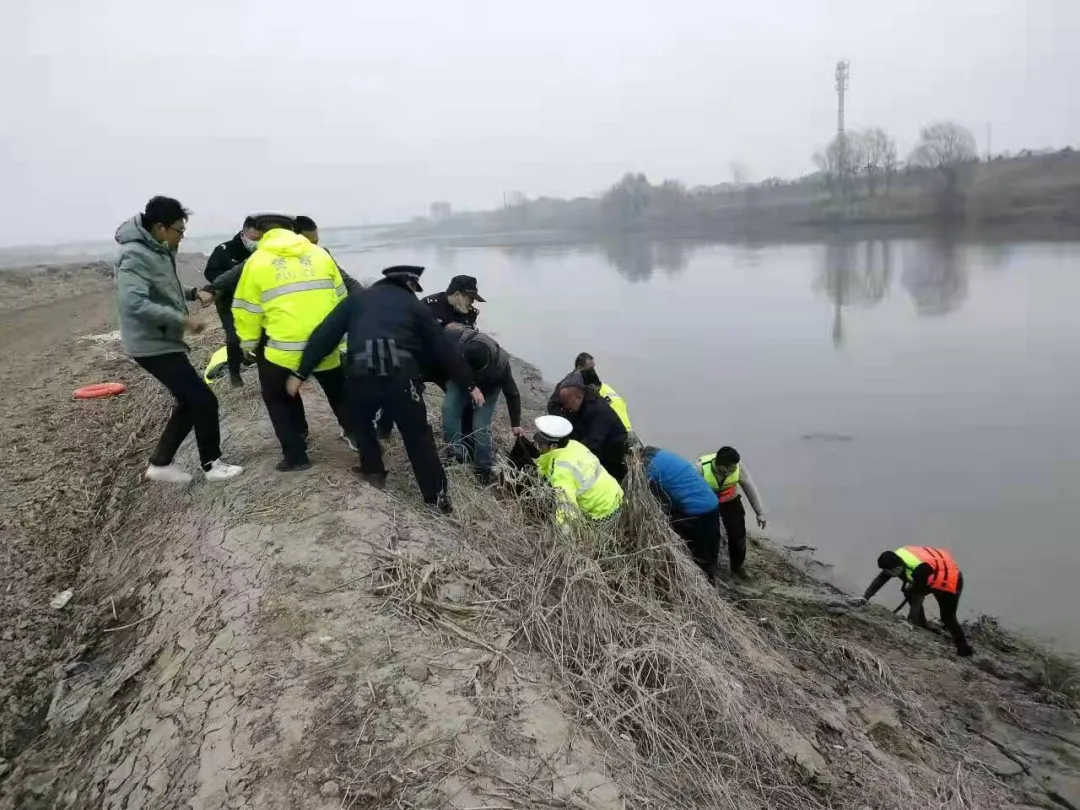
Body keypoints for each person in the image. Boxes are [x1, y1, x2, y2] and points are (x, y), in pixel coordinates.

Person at [287, 266, 481, 513]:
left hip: (362, 376)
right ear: (408, 286)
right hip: (402, 378)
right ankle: (437, 496)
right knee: (419, 437)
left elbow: (325, 335)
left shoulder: (356, 300)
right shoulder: (414, 306)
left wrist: (301, 372)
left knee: (359, 421)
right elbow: (443, 348)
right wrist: (469, 383)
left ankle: (374, 471)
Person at [114, 196, 243, 483]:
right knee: (204, 400)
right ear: (161, 228)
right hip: (150, 343)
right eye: (179, 231)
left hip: (162, 340)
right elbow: (133, 303)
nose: (181, 237)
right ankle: (212, 464)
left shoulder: (157, 250)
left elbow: (163, 287)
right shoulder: (135, 254)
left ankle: (161, 464)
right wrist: (182, 320)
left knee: (189, 401)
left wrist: (191, 293)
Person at [232, 212, 351, 472]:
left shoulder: (257, 261)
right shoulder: (320, 255)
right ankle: (363, 443)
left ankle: (296, 456)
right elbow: (343, 299)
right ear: (292, 229)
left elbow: (246, 310)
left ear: (261, 234)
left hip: (283, 350)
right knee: (340, 394)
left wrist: (249, 346)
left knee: (276, 396)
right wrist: (341, 340)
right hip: (325, 344)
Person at [442, 322, 525, 482]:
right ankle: (456, 455)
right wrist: (470, 385)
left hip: (489, 389)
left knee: (480, 427)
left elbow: (512, 393)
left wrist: (516, 423)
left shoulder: (501, 366)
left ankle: (483, 469)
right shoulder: (456, 345)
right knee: (449, 410)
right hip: (462, 380)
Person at [855, 546, 974, 658]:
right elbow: (881, 578)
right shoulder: (895, 559)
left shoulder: (919, 570)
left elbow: (917, 595)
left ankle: (963, 648)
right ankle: (921, 623)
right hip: (933, 575)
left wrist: (910, 623)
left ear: (898, 568)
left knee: (947, 617)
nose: (889, 575)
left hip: (950, 581)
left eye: (890, 572)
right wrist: (866, 597)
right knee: (909, 592)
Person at [640, 446, 727, 582]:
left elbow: (640, 496)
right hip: (712, 502)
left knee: (697, 553)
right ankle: (711, 575)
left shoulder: (647, 468)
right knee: (711, 546)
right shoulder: (661, 454)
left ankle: (703, 584)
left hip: (695, 511)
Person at [533, 415, 623, 531]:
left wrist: (564, 538)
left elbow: (567, 511)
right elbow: (549, 462)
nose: (538, 447)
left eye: (541, 444)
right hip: (616, 497)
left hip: (603, 513)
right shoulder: (573, 445)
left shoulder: (562, 471)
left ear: (553, 446)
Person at [203, 216, 261, 387]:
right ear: (243, 234)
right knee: (234, 338)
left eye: (259, 239)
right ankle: (234, 374)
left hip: (254, 301)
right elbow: (211, 273)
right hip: (229, 302)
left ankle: (250, 359)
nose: (256, 243)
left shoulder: (262, 251)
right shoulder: (224, 250)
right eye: (253, 239)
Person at [695, 446, 766, 575]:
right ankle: (710, 567)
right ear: (722, 467)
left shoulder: (738, 467)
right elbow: (689, 490)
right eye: (732, 467)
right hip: (708, 503)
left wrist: (759, 512)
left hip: (730, 501)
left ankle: (737, 567)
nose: (736, 468)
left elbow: (749, 487)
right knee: (710, 536)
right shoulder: (700, 468)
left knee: (738, 535)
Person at [552, 373, 629, 482]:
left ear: (578, 397)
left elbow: (592, 446)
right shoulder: (579, 405)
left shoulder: (599, 411)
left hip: (611, 460)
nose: (565, 407)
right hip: (597, 448)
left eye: (566, 403)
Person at [547, 352, 633, 434]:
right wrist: (568, 422)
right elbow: (552, 405)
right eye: (590, 368)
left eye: (594, 367)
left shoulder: (590, 381)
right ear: (580, 367)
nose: (593, 370)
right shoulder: (568, 384)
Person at [294, 215, 363, 295]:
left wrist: (366, 297)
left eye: (316, 242)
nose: (315, 247)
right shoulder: (282, 260)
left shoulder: (323, 254)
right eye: (311, 244)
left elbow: (348, 282)